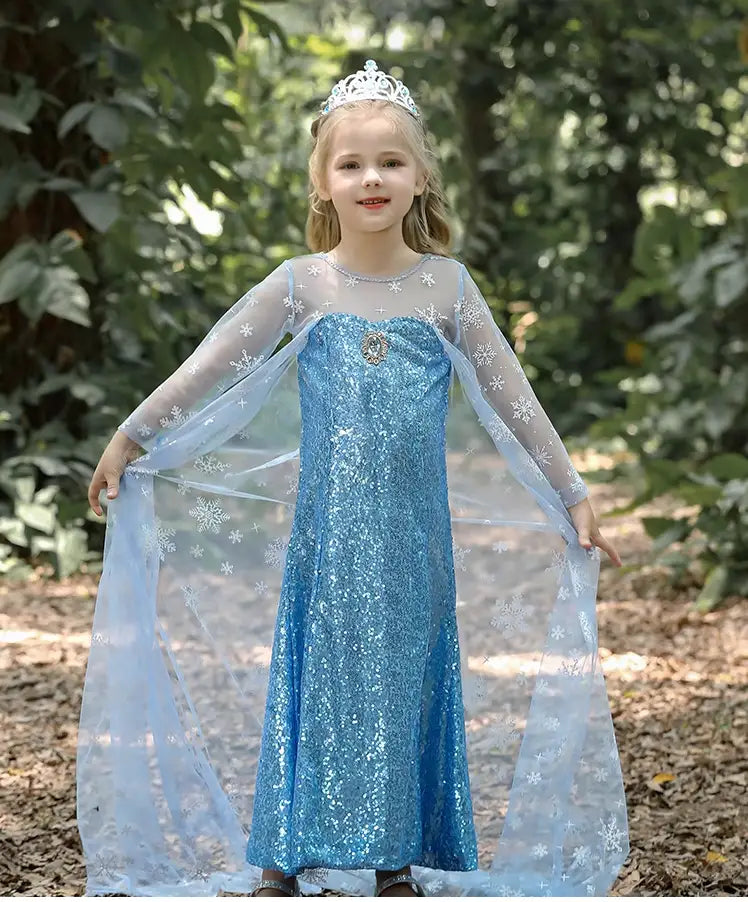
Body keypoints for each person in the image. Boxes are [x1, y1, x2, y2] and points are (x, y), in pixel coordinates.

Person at [82, 60, 627, 898]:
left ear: (419, 179)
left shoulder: (446, 288)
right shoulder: (302, 286)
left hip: (416, 540)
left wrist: (576, 496)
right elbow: (210, 366)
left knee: (405, 677)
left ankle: (395, 857)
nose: (371, 177)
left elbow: (514, 401)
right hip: (329, 536)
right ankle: (284, 852)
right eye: (351, 164)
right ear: (322, 183)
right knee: (318, 672)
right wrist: (130, 436)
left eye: (391, 162)